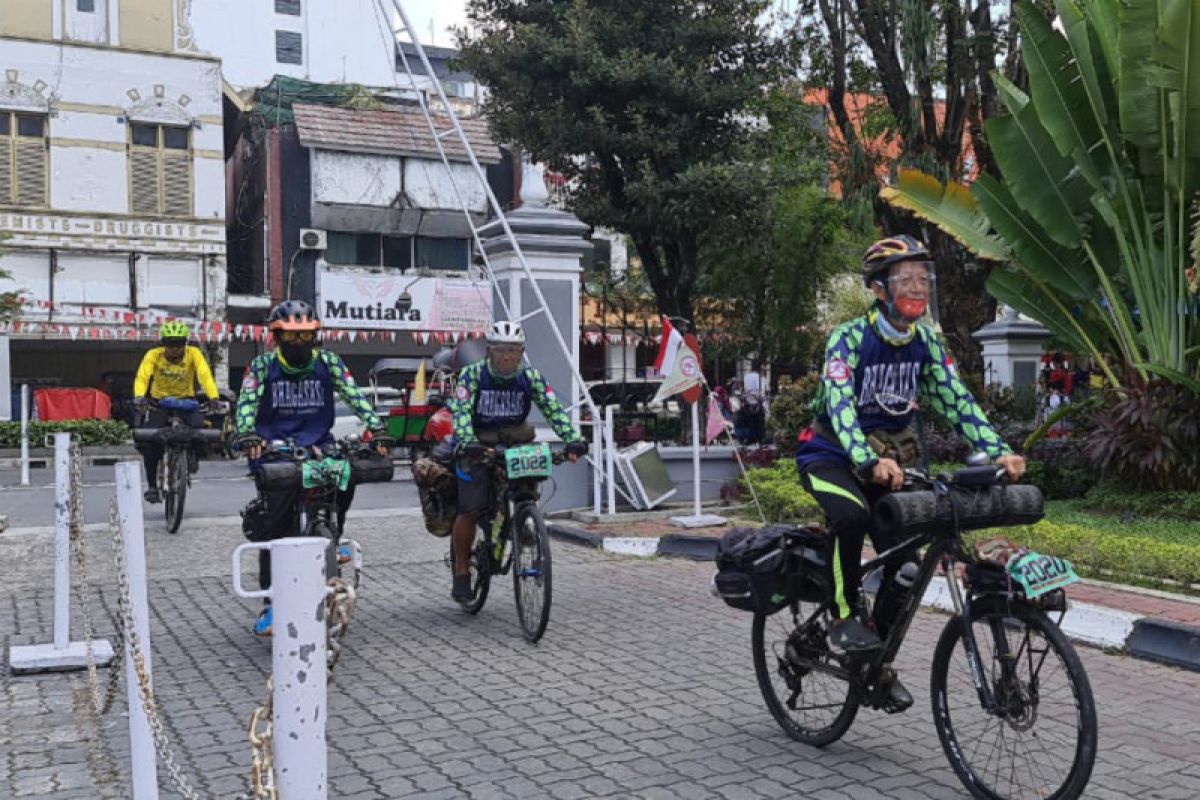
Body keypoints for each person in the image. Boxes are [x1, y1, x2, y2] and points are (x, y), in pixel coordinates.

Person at [794, 235, 1025, 712]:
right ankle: (840, 616)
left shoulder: (925, 343)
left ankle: (872, 661)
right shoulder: (849, 338)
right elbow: (839, 406)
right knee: (852, 517)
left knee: (906, 566)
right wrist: (865, 459)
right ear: (879, 289)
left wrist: (997, 450)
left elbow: (957, 401)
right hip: (831, 457)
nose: (918, 289)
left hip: (892, 466)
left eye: (924, 279)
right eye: (907, 280)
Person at [233, 300, 389, 636]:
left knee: (346, 479)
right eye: (290, 337)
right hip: (275, 449)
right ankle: (271, 601)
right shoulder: (261, 367)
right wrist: (247, 433)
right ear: (276, 337)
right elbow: (246, 404)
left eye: (306, 337)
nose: (298, 344)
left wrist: (376, 428)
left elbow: (354, 394)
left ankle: (335, 534)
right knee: (273, 526)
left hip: (321, 445)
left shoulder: (330, 362)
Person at [446, 320, 588, 601]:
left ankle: (525, 522)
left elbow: (553, 409)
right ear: (489, 352)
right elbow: (460, 412)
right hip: (478, 445)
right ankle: (462, 570)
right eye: (501, 351)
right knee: (471, 508)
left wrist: (573, 439)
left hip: (515, 444)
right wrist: (467, 441)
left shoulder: (530, 377)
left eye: (514, 351)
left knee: (527, 490)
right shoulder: (471, 376)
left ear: (522, 353)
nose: (508, 357)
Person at [132, 321, 220, 503]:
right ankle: (152, 486)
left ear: (185, 343)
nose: (175, 349)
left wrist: (214, 397)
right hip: (160, 404)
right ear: (163, 343)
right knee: (150, 442)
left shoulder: (193, 353)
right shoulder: (153, 355)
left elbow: (204, 374)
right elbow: (143, 376)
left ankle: (192, 456)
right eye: (170, 344)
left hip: (187, 402)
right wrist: (139, 396)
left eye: (179, 343)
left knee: (199, 431)